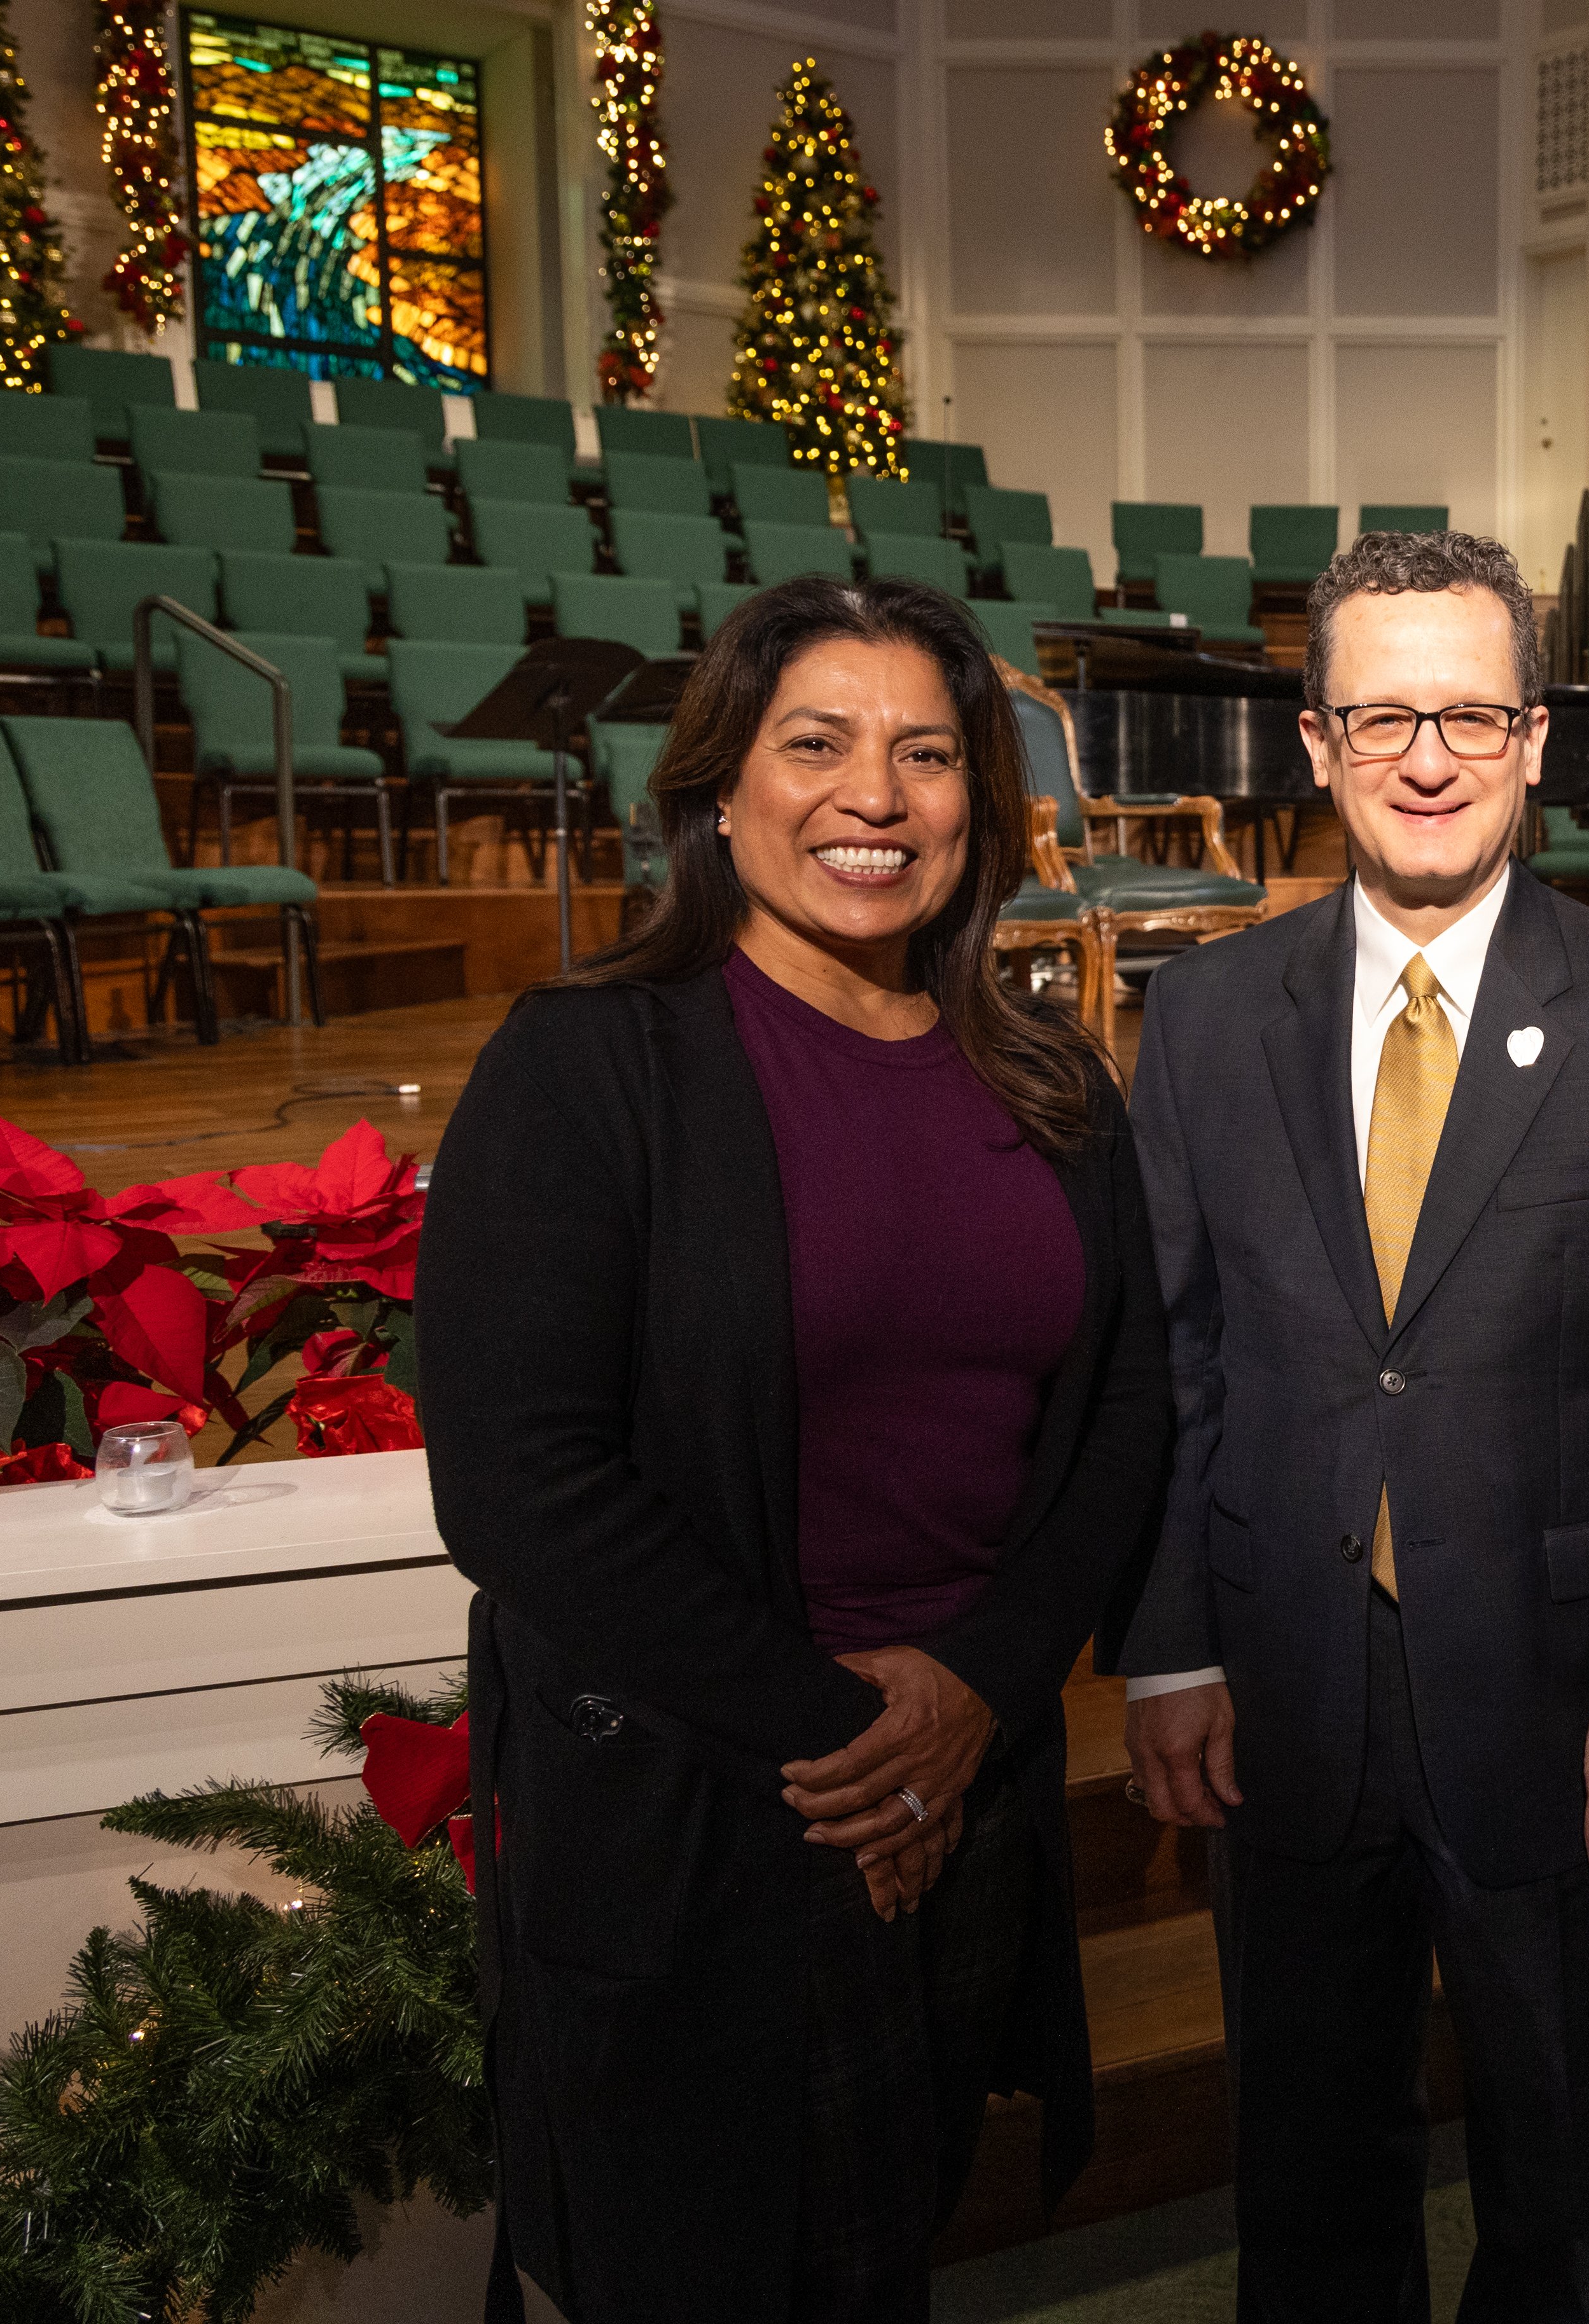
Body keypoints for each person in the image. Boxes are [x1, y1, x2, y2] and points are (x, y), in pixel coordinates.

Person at [419, 576, 1172, 2323]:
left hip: (957, 1792)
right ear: (719, 788)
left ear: (977, 803)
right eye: (816, 744)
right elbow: (521, 1486)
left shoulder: (1049, 1081)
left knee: (882, 2260)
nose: (874, 797)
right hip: (713, 1795)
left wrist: (974, 1693)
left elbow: (1124, 1408)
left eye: (925, 754)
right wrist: (851, 1738)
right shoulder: (592, 1065)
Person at [1109, 528, 1589, 2322]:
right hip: (1285, 1682)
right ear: (1315, 745)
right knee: (1311, 2165)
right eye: (1381, 716)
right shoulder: (1204, 1018)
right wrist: (1165, 1650)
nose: (1426, 759)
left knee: (1566, 2177)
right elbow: (1170, 1355)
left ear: (1537, 736)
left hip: (1562, 1702)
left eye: (1470, 715)